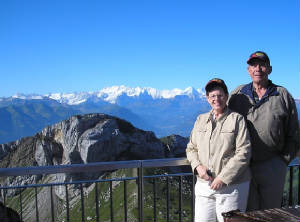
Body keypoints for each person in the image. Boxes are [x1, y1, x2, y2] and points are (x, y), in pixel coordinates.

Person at [228, 51, 300, 211]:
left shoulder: (282, 95)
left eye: (262, 64)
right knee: (246, 212)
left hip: (272, 165)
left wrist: (282, 162)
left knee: (271, 212)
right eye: (253, 65)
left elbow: (294, 133)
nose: (257, 69)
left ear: (269, 69)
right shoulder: (237, 95)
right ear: (248, 70)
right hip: (243, 166)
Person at [186, 78, 252, 222]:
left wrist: (223, 178)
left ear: (227, 96)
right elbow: (191, 148)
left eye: (220, 95)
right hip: (204, 185)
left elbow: (244, 152)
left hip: (232, 187)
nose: (217, 99)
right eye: (213, 96)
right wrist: (197, 166)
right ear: (207, 98)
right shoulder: (200, 120)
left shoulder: (237, 120)